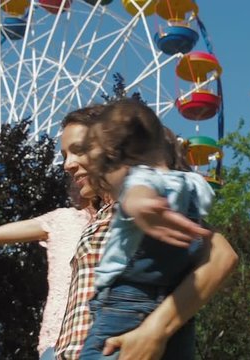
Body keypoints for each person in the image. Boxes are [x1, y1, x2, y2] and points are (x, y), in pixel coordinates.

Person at [0, 104, 237, 360]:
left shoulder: (150, 200)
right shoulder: (78, 219)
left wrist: (156, 329)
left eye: (79, 150)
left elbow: (222, 256)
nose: (67, 164)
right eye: (64, 154)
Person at [74, 98, 214, 359]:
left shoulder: (140, 179)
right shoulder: (196, 185)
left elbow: (138, 191)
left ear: (119, 157)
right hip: (177, 307)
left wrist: (138, 204)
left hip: (125, 304)